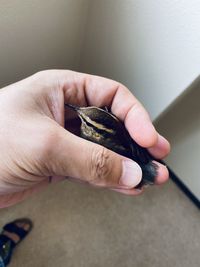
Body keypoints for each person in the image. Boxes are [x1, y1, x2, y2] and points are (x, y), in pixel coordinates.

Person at [0, 69, 170, 265]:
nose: (78, 112)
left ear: (95, 134)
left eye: (87, 122)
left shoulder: (91, 138)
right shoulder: (94, 132)